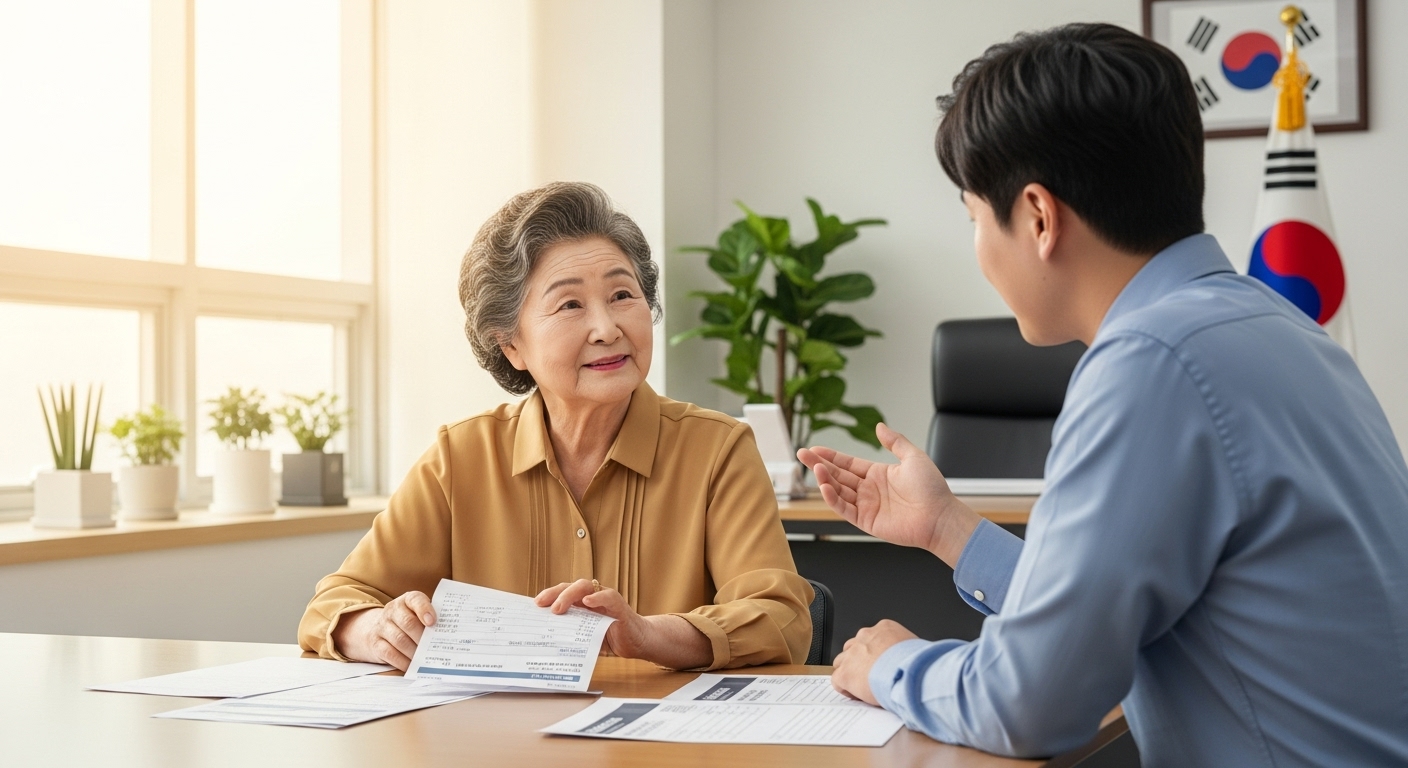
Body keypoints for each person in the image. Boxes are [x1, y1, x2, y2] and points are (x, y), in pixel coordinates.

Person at [799, 23, 1408, 767]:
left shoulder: (1148, 363)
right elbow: (1111, 611)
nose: (980, 253)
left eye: (973, 220)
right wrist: (949, 527)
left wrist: (891, 665)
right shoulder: (1275, 327)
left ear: (1038, 217)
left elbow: (1029, 704)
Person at [300, 181, 812, 672]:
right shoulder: (460, 456)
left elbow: (781, 619)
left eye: (622, 296)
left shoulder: (718, 450)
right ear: (511, 345)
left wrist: (649, 635)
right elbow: (336, 604)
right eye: (570, 305)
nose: (608, 328)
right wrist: (377, 630)